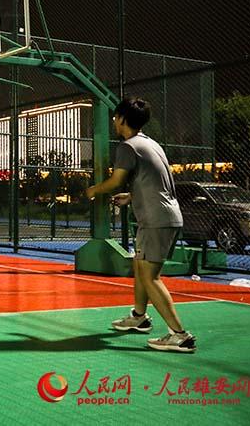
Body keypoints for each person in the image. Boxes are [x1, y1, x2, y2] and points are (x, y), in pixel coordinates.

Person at [84, 97, 196, 353]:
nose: (114, 121)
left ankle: (180, 335)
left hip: (156, 220)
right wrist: (132, 196)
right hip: (165, 215)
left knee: (150, 277)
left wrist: (93, 190)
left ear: (123, 119)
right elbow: (156, 181)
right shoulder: (151, 144)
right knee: (140, 264)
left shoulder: (128, 147)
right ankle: (139, 317)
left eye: (115, 117)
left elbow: (115, 181)